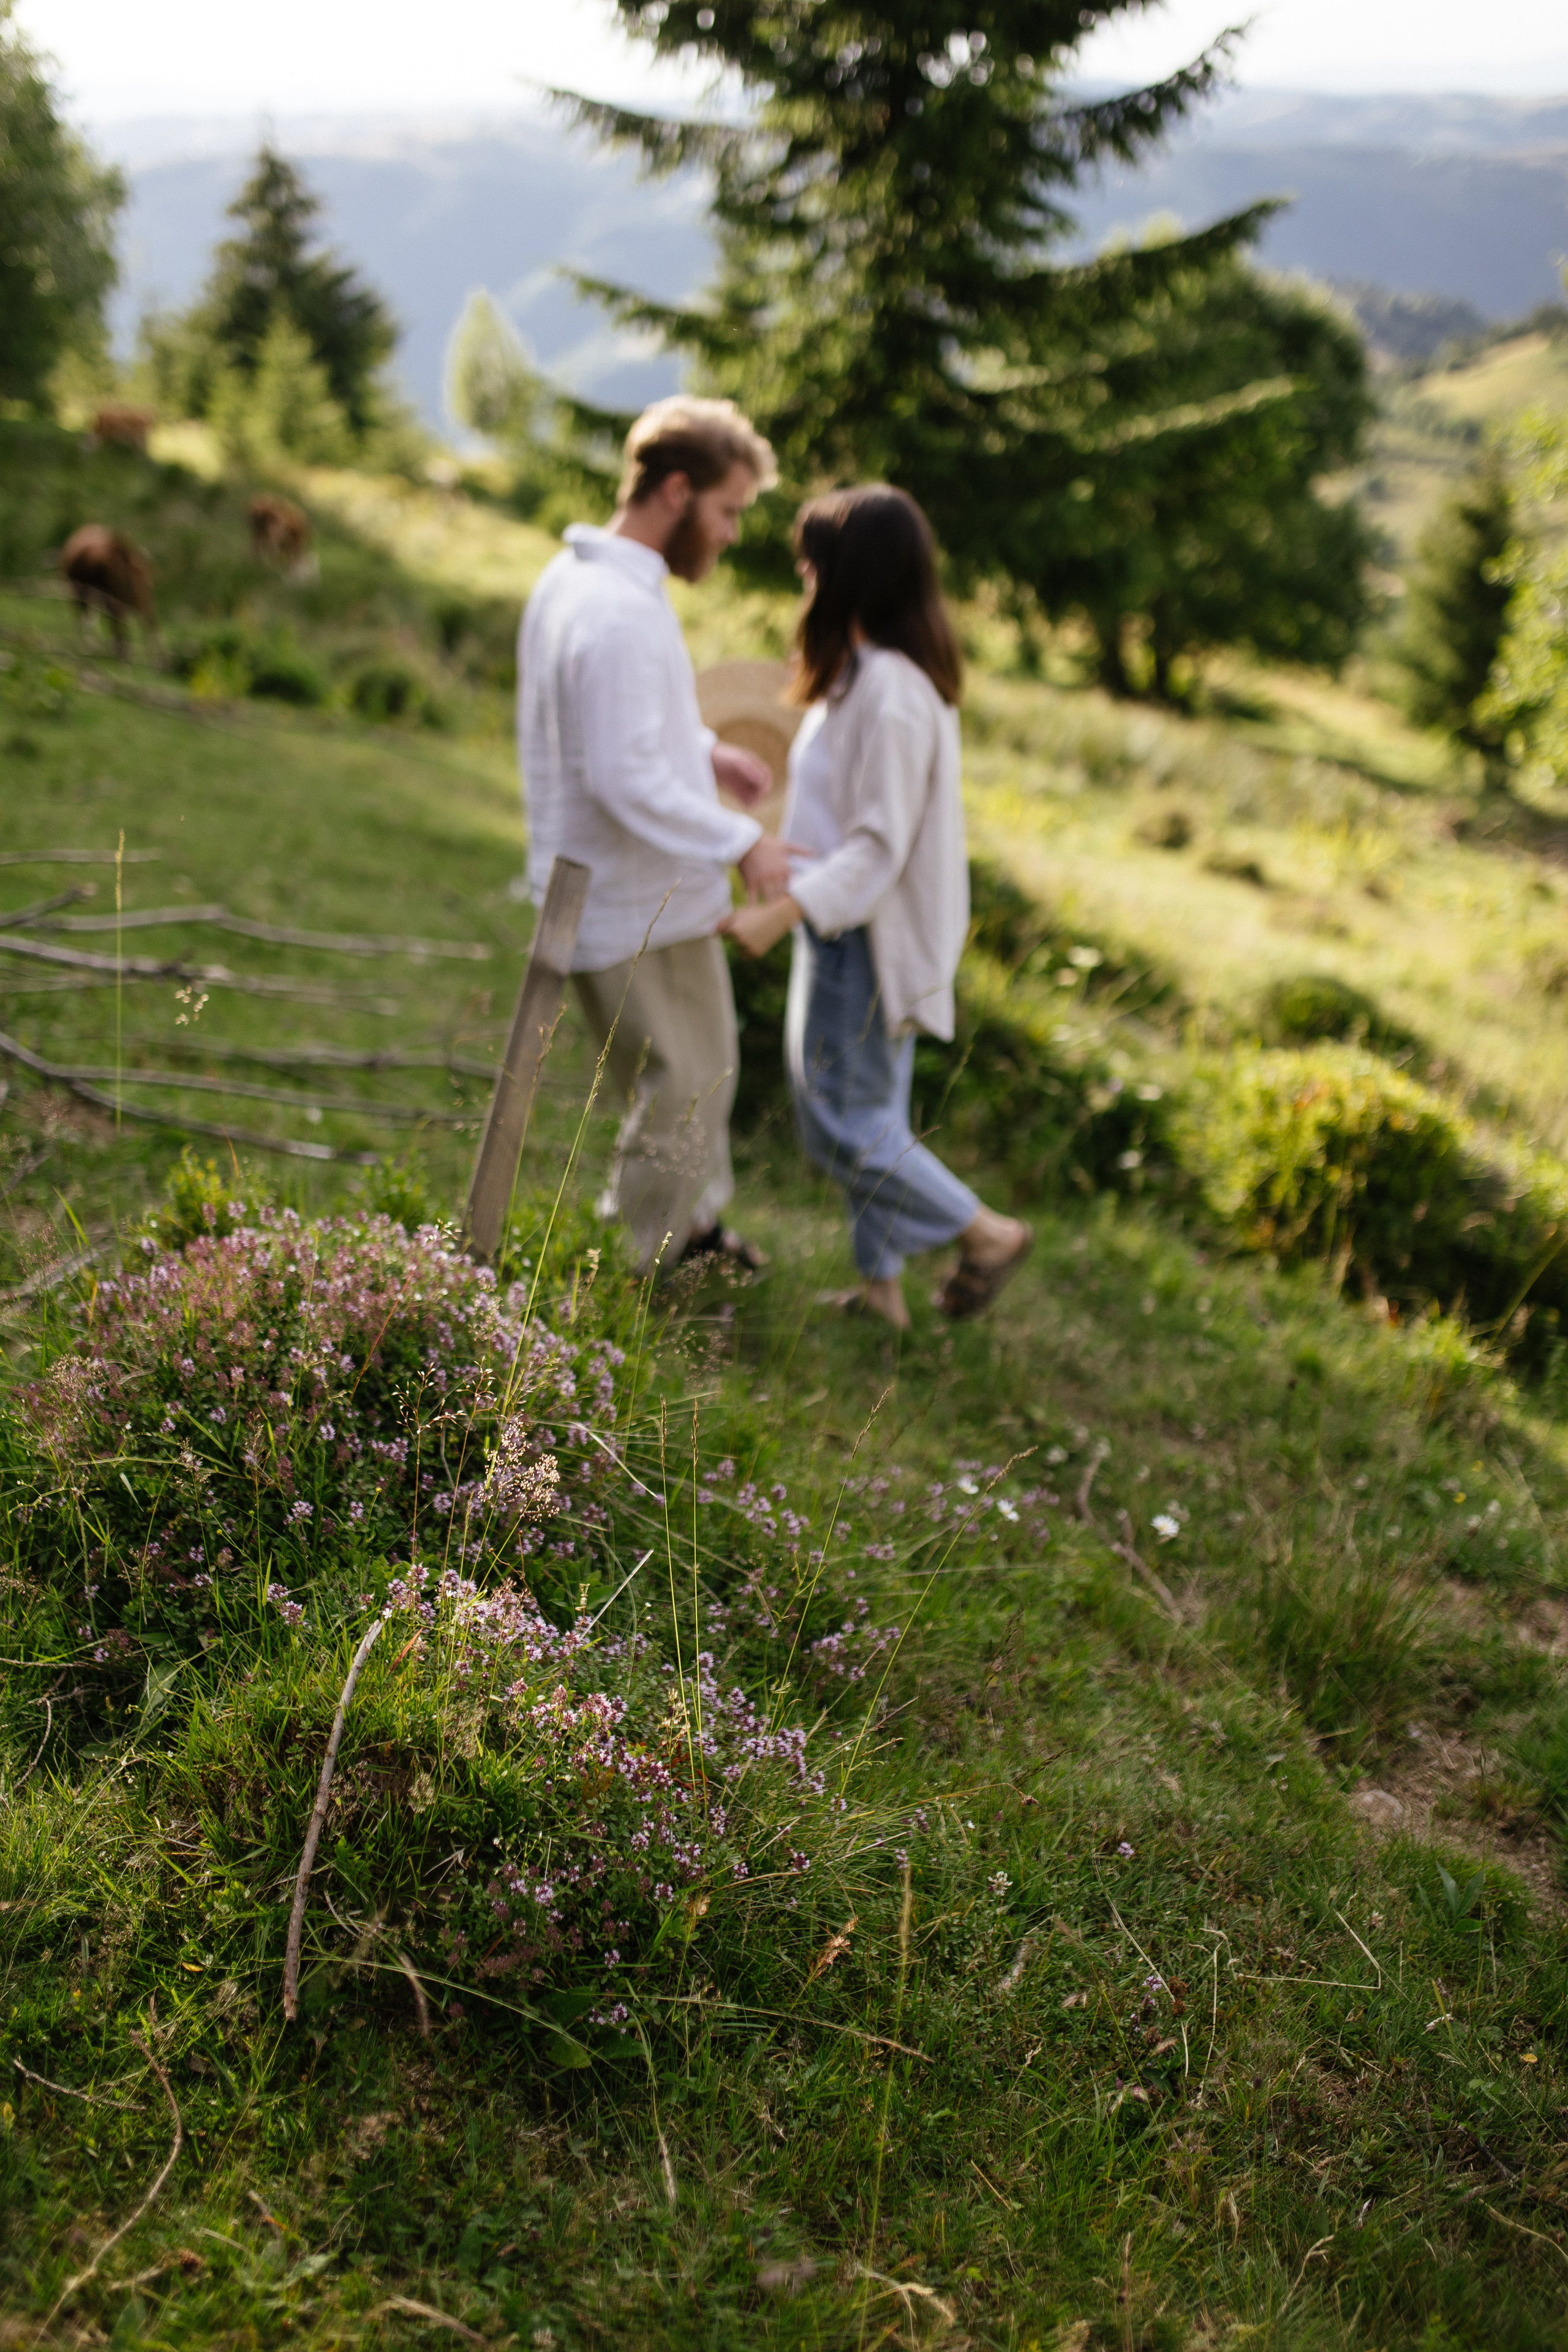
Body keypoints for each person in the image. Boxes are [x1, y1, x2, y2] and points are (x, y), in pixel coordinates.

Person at [721, 485, 1031, 1329]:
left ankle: (986, 1233)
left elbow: (879, 846)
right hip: (844, 927)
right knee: (871, 1115)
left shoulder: (892, 691)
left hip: (861, 936)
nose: (802, 576)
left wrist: (778, 914)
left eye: (812, 562)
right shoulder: (861, 678)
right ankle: (882, 1290)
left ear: (844, 573)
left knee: (838, 1124)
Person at [518, 395, 796, 1275]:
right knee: (683, 1086)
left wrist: (709, 752)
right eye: (727, 511)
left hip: (619, 888)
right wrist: (742, 840)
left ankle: (687, 1233)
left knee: (692, 1079)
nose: (730, 533)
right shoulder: (617, 611)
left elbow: (613, 728)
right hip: (634, 898)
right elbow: (621, 774)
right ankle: (653, 1266)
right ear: (677, 492)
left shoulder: (580, 581)